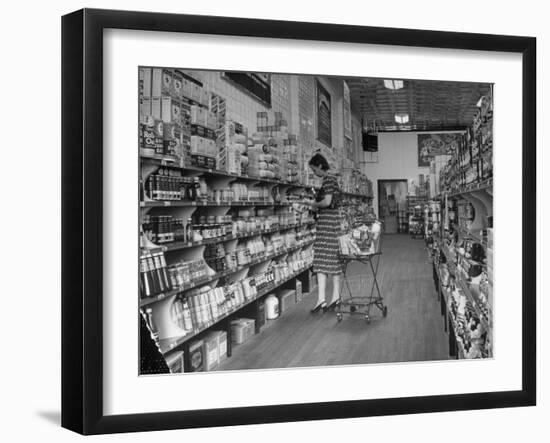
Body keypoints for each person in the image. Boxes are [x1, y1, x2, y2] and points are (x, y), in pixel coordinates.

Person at [307, 153, 343, 313]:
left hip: (327, 224)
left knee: (322, 260)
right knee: (331, 261)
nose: (315, 173)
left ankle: (325, 299)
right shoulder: (332, 179)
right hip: (332, 223)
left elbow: (327, 202)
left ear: (320, 166)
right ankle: (332, 298)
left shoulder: (328, 180)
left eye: (315, 170)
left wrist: (314, 204)